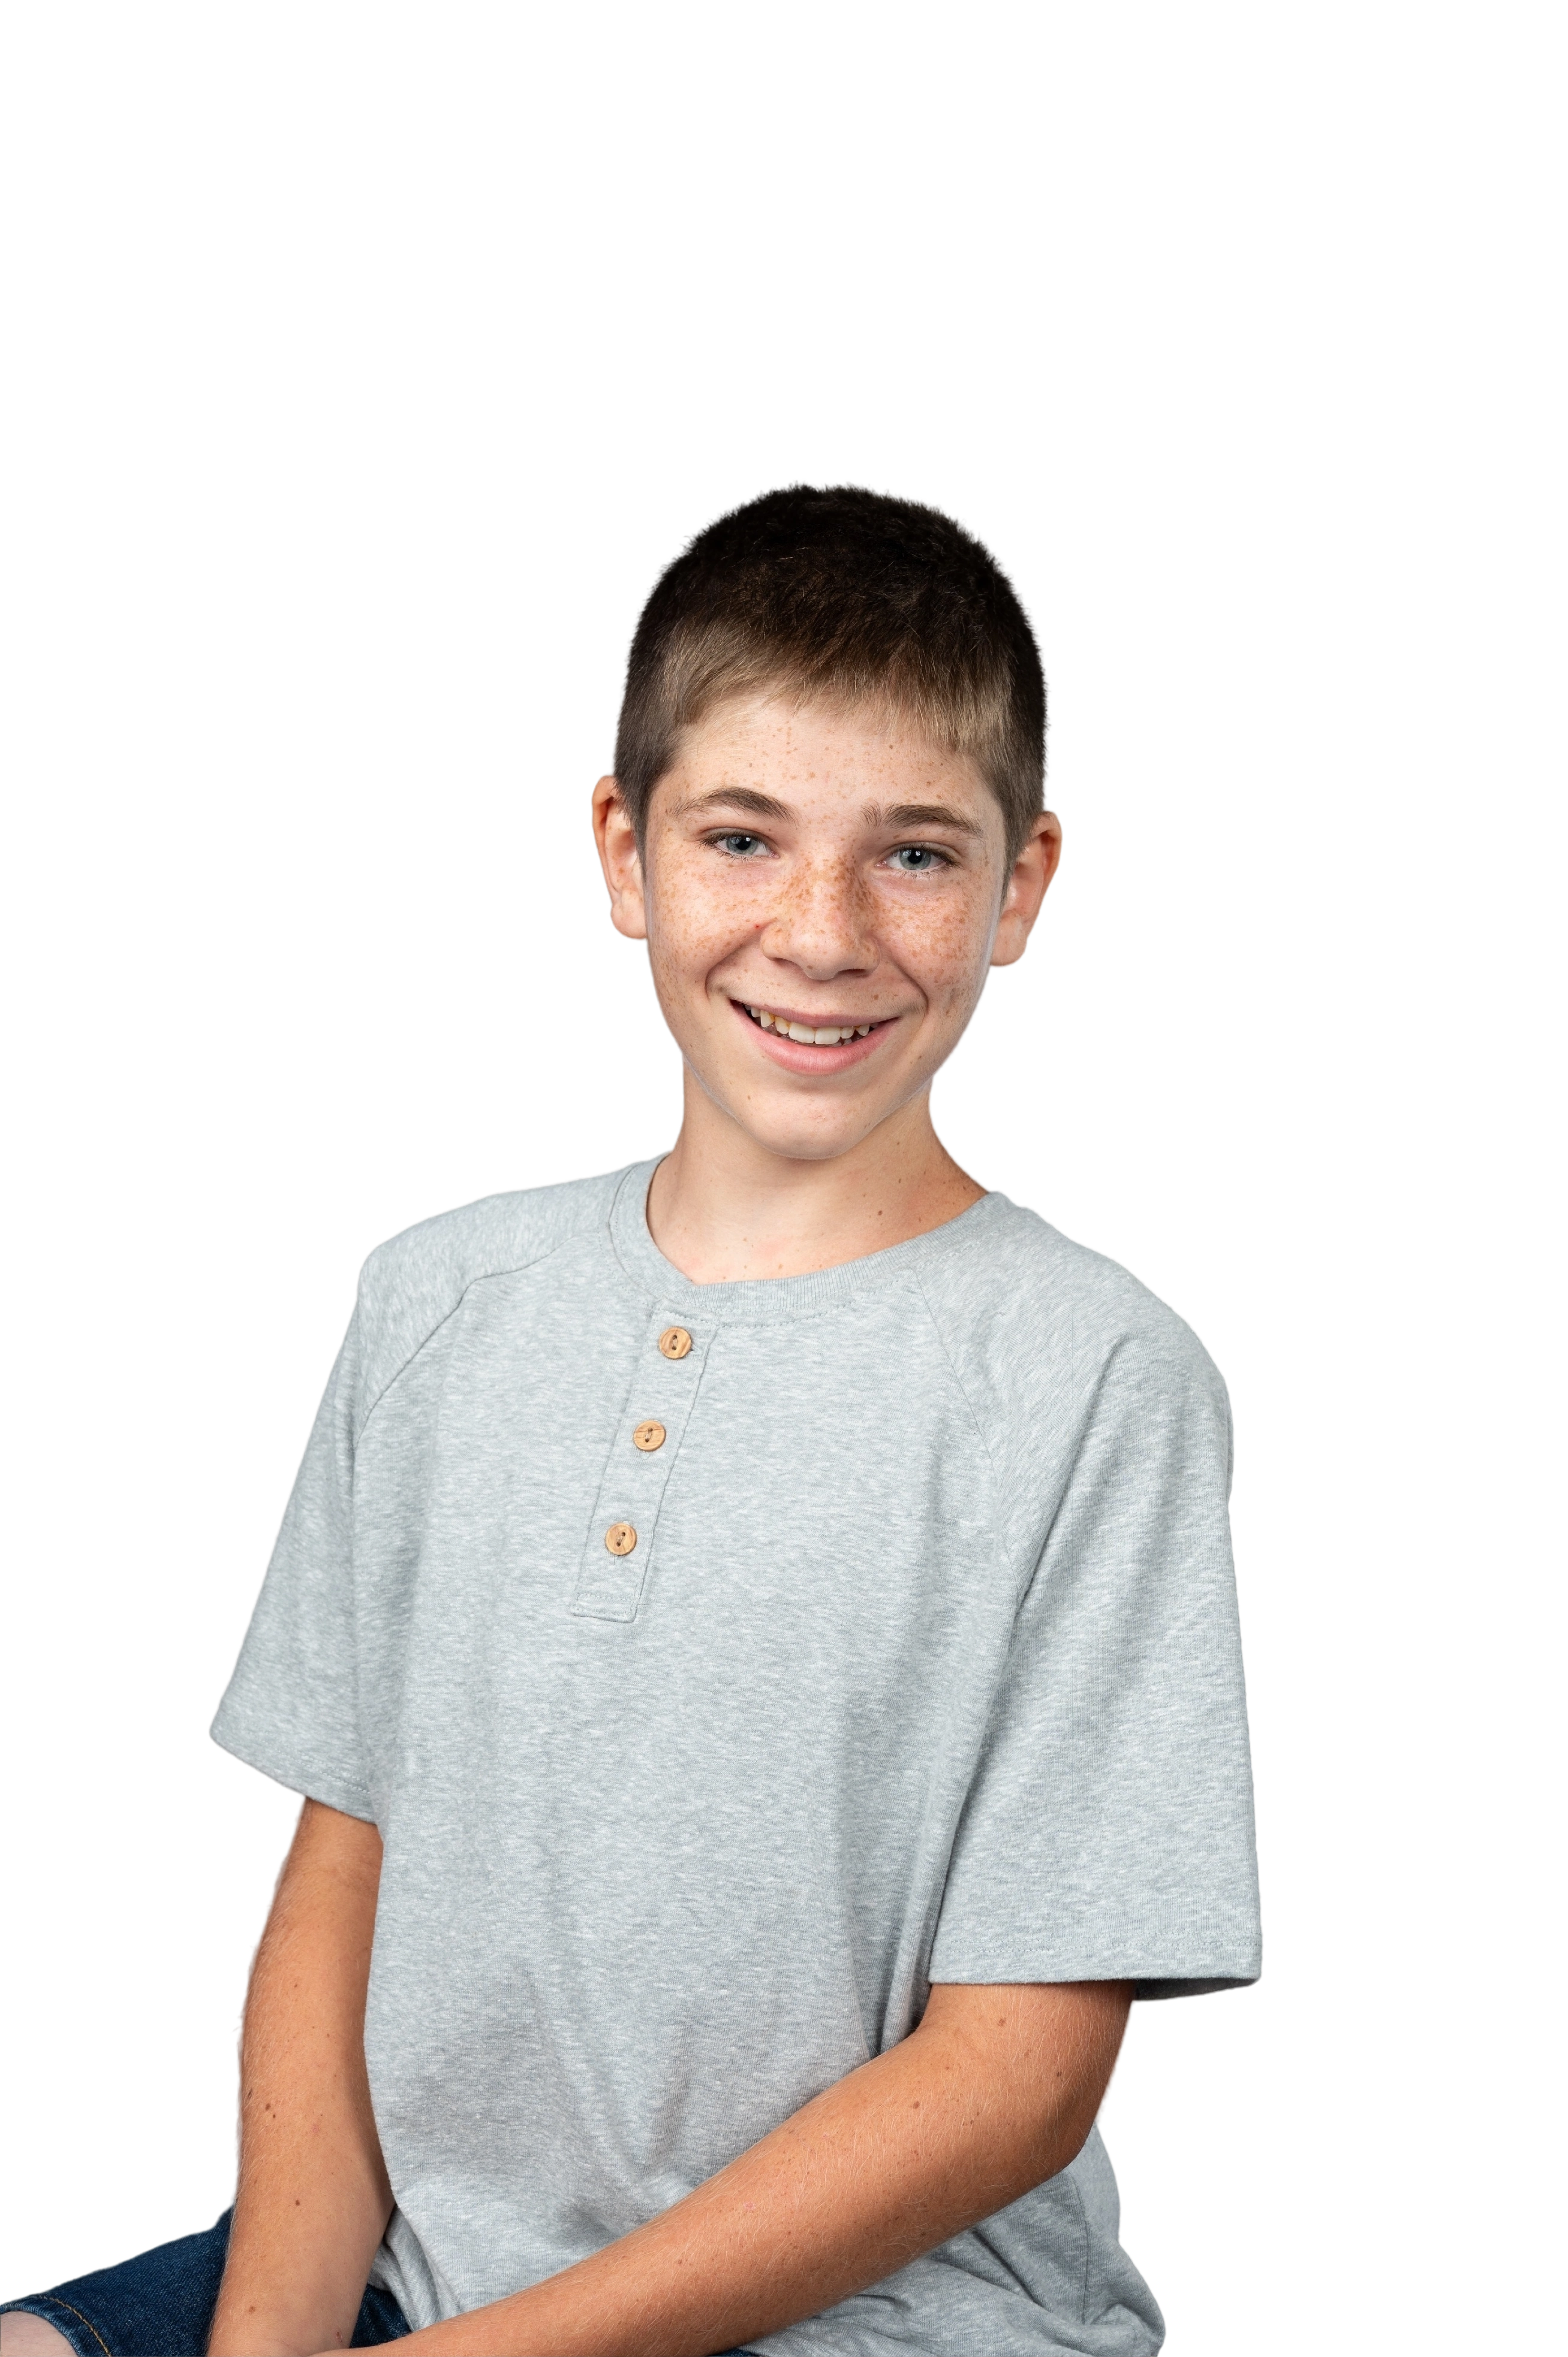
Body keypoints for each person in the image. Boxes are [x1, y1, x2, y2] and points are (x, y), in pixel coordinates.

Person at [1, 480, 1262, 2357]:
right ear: (623, 853)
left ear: (1022, 887)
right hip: (436, 2277)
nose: (820, 933)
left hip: (897, 2329)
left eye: (914, 855)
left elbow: (1015, 2074)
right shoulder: (435, 1299)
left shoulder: (1096, 1380)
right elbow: (344, 1878)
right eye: (742, 837)